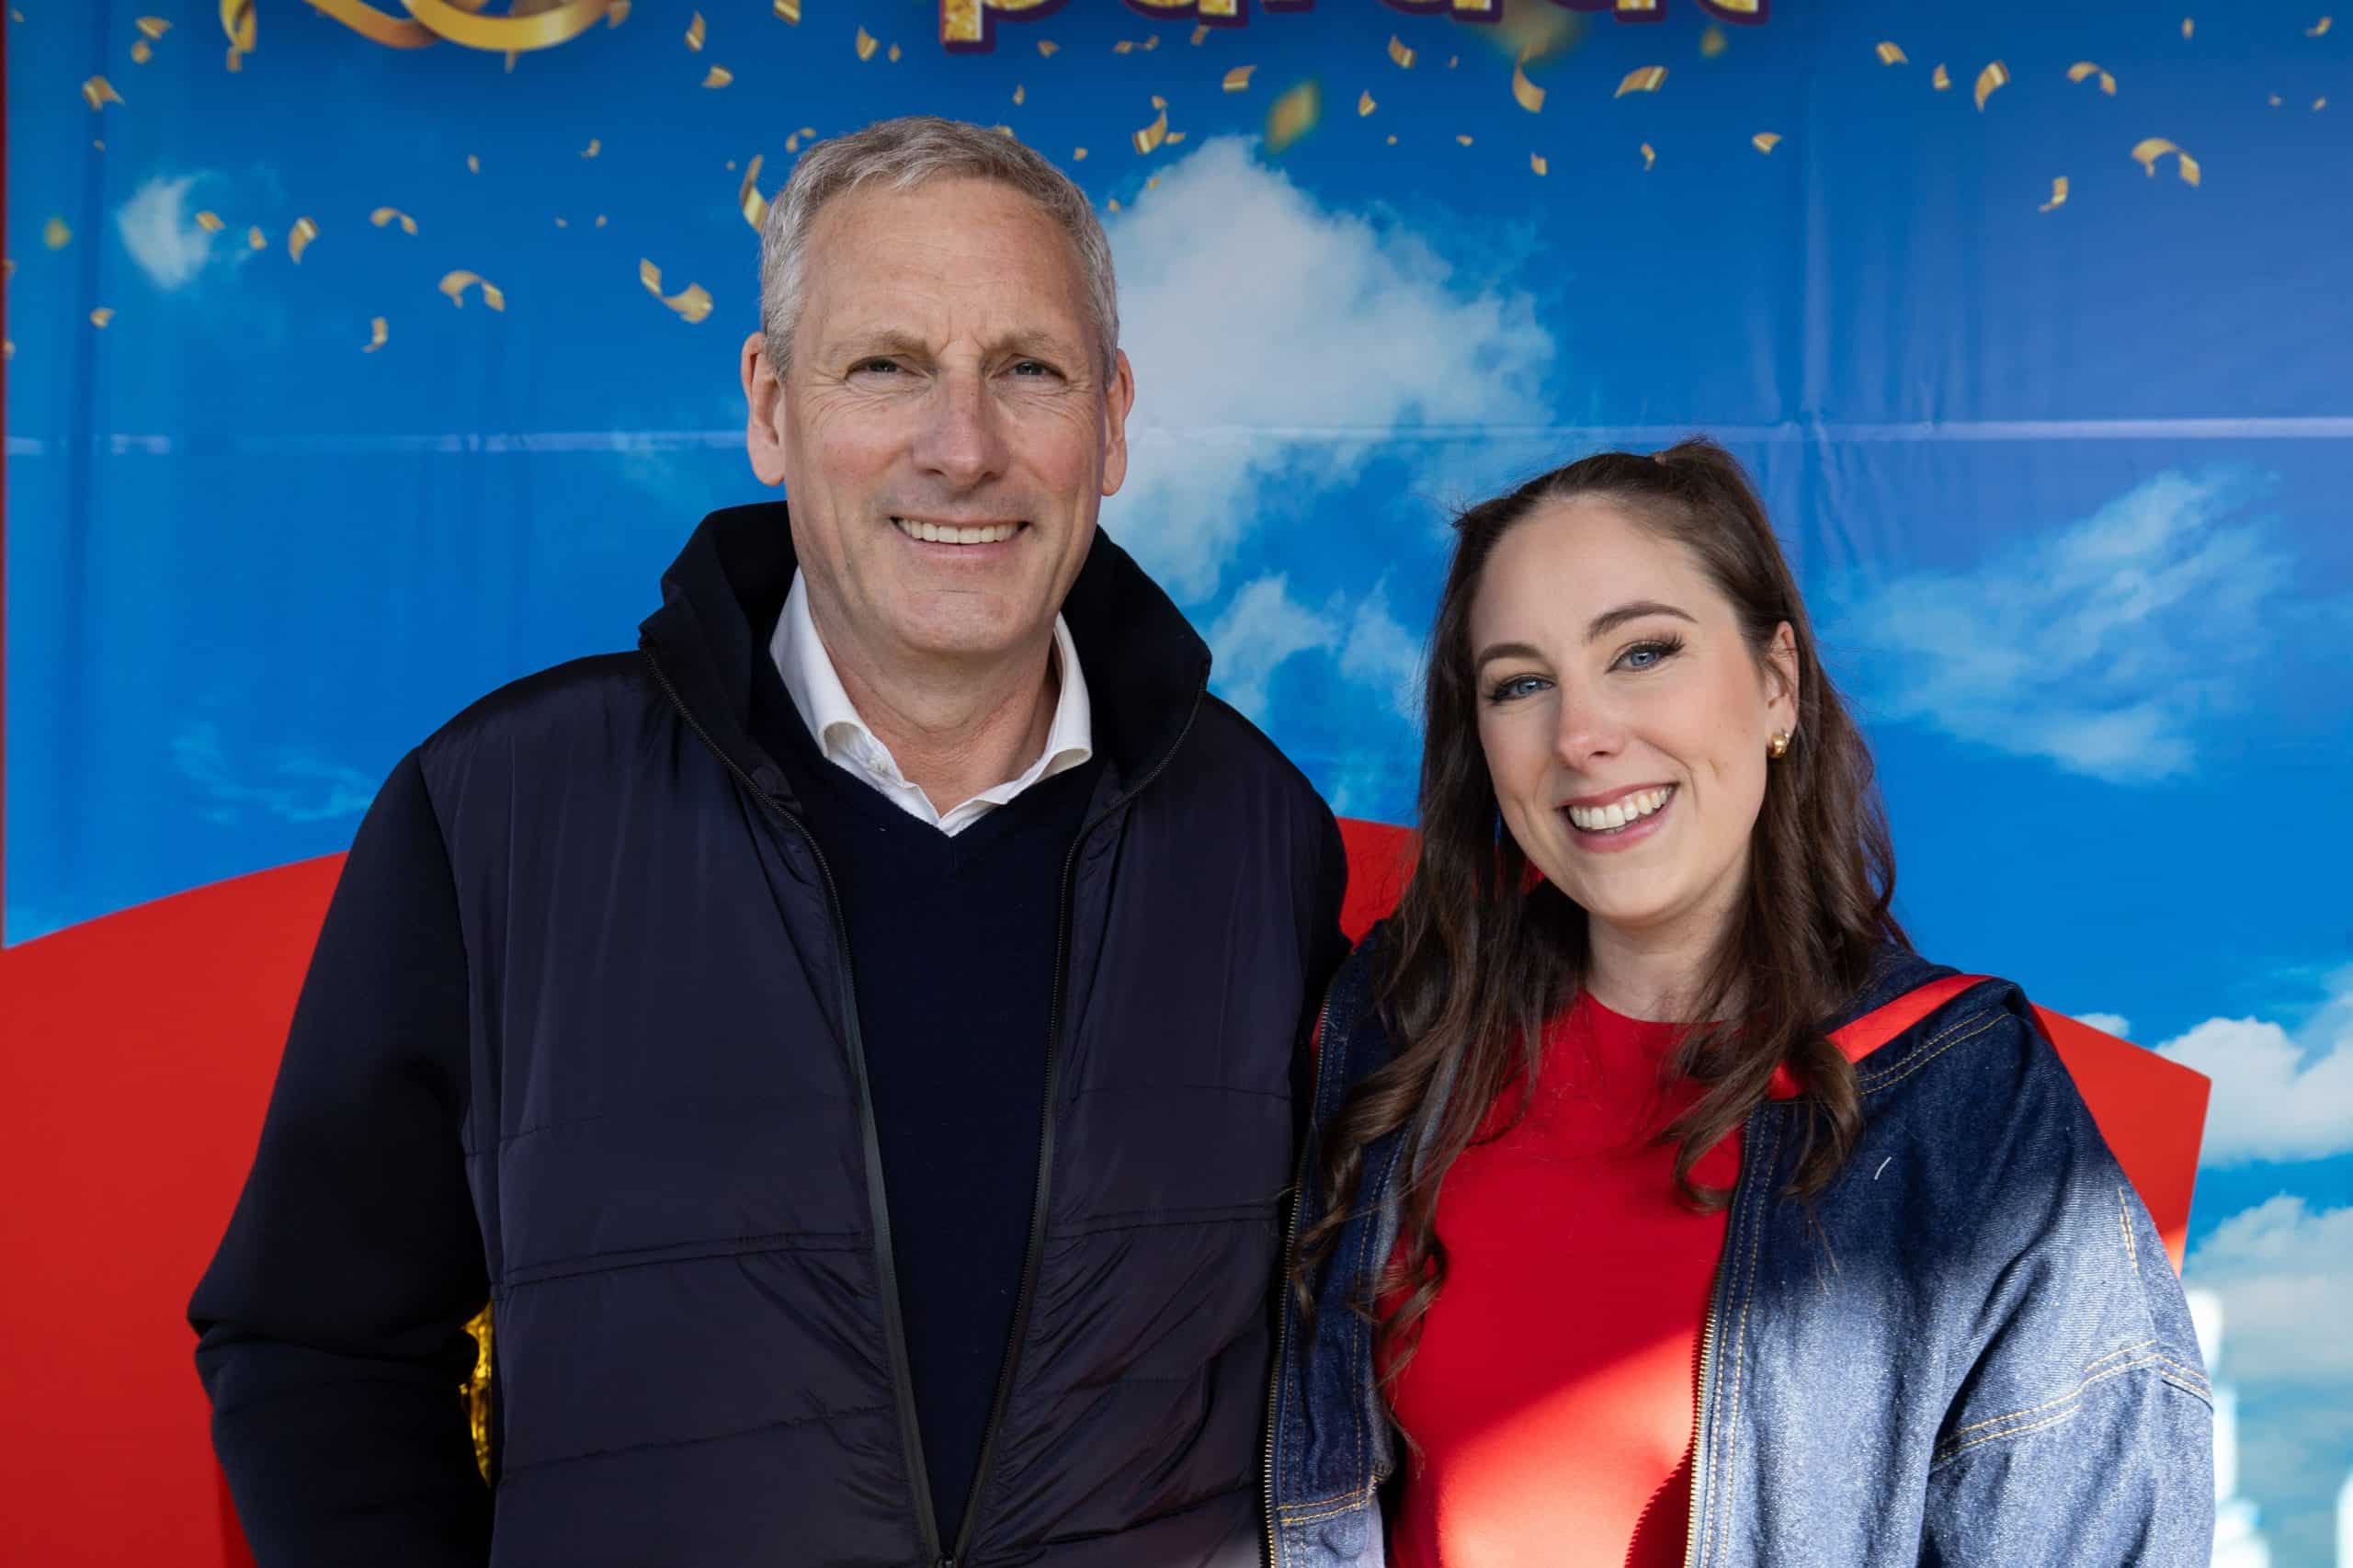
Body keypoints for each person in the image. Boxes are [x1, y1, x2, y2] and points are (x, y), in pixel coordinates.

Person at [191, 116, 1347, 1568]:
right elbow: (313, 1341)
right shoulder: (495, 816)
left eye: (1028, 370)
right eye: (886, 367)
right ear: (770, 406)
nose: (964, 447)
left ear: (1110, 419)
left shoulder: (1259, 837)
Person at [1263, 441, 2213, 1566]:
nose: (1580, 733)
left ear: (1776, 682)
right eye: (1520, 682)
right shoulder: (1396, 1040)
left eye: (1642, 651)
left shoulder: (1965, 1102)